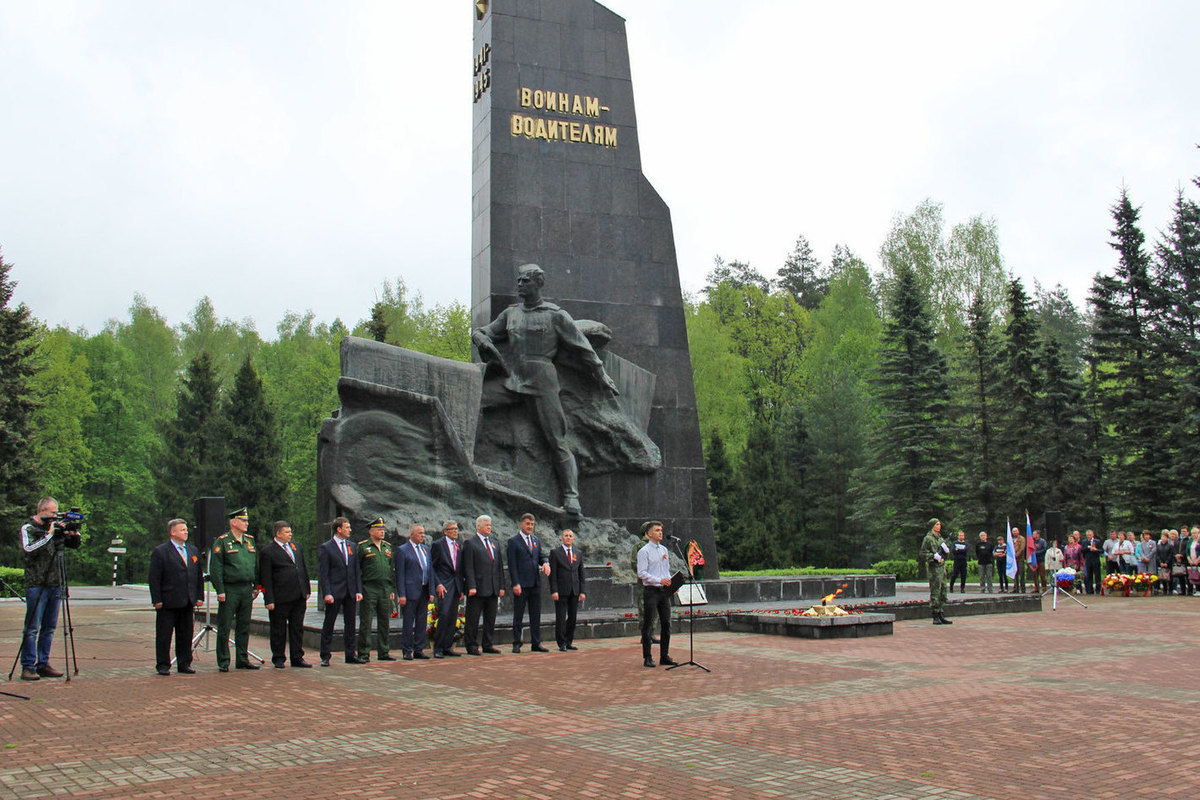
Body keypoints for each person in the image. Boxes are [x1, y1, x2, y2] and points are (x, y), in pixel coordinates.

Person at [471, 264, 620, 514]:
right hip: (512, 378)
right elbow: (484, 331)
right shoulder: (510, 314)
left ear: (538, 284)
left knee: (556, 439)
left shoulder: (555, 315)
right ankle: (468, 459)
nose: (520, 285)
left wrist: (602, 374)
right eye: (518, 281)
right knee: (474, 400)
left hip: (542, 381)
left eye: (525, 281)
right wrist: (480, 338)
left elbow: (582, 347)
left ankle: (572, 497)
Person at [18, 497, 80, 681]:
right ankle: (28, 666)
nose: (56, 516)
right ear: (42, 511)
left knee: (49, 627)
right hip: (36, 583)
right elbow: (29, 549)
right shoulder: (29, 528)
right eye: (53, 513)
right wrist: (49, 535)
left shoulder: (54, 528)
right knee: (32, 628)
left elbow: (73, 545)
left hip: (55, 583)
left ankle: (43, 663)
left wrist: (73, 534)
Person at [148, 518, 204, 675]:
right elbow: (154, 578)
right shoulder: (161, 551)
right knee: (164, 635)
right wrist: (157, 599)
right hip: (168, 601)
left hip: (187, 600)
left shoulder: (193, 551)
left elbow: (198, 576)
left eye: (186, 530)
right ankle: (163, 665)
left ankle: (184, 663)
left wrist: (199, 596)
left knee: (185, 634)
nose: (186, 532)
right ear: (172, 532)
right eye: (182, 530)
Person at [209, 506, 260, 672]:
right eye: (243, 520)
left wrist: (256, 586)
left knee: (244, 625)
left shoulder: (250, 540)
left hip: (246, 589)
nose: (246, 523)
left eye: (247, 520)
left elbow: (255, 564)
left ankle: (242, 659)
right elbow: (216, 568)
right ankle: (224, 660)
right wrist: (220, 590)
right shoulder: (222, 541)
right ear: (233, 522)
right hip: (230, 589)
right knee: (224, 626)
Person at [259, 520, 312, 668]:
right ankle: (278, 658)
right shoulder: (268, 551)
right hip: (280, 597)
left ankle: (297, 657)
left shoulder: (296, 547)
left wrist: (306, 589)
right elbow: (265, 577)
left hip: (298, 595)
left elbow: (302, 568)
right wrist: (268, 598)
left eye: (290, 532)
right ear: (278, 534)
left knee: (297, 628)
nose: (290, 534)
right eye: (287, 532)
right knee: (278, 629)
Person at [317, 516, 364, 667]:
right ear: (339, 529)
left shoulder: (352, 546)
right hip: (335, 591)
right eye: (347, 527)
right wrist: (327, 593)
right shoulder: (327, 547)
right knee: (329, 623)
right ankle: (325, 655)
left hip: (350, 591)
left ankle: (350, 654)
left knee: (350, 624)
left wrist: (358, 589)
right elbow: (324, 573)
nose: (350, 530)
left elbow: (356, 569)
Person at [507, 512, 551, 653]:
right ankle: (516, 642)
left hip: (535, 583)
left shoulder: (536, 540)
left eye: (532, 524)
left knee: (535, 615)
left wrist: (545, 563)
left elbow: (541, 556)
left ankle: (536, 642)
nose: (530, 526)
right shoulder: (513, 541)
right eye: (527, 524)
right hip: (521, 584)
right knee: (518, 615)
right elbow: (512, 565)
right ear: (521, 524)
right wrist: (515, 583)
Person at [462, 514, 505, 655]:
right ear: (478, 526)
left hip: (493, 587)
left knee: (490, 618)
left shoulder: (494, 543)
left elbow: (499, 567)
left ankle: (488, 644)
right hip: (478, 588)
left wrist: (501, 586)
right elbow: (468, 567)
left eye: (490, 525)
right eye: (486, 525)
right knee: (473, 618)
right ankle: (471, 645)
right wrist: (471, 586)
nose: (489, 527)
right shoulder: (471, 543)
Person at [636, 520, 678, 665]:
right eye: (657, 530)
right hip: (651, 591)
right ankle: (647, 656)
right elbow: (642, 573)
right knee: (648, 624)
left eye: (661, 530)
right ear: (649, 533)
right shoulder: (644, 551)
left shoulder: (664, 550)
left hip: (663, 592)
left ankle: (664, 655)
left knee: (666, 623)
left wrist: (671, 583)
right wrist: (659, 580)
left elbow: (666, 570)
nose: (660, 533)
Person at [357, 518, 397, 662]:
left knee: (384, 621)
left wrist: (392, 588)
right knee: (366, 621)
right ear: (371, 531)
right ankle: (363, 652)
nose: (382, 532)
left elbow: (391, 569)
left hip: (385, 588)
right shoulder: (363, 547)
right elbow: (358, 569)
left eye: (383, 529)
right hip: (369, 587)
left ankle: (384, 651)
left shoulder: (387, 547)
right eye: (379, 529)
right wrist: (359, 588)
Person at [395, 523, 434, 660]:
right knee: (408, 622)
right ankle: (407, 650)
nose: (422, 536)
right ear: (412, 534)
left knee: (422, 622)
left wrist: (431, 591)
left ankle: (419, 649)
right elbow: (400, 574)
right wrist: (402, 594)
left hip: (423, 590)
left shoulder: (426, 549)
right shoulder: (403, 550)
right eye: (419, 533)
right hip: (410, 592)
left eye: (423, 533)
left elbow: (430, 571)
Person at [430, 519, 464, 658]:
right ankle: (438, 647)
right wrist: (438, 583)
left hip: (456, 585)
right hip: (444, 585)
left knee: (452, 616)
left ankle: (447, 646)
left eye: (456, 529)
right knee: (443, 615)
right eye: (452, 529)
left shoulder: (458, 546)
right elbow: (432, 566)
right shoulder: (438, 545)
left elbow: (460, 568)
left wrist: (462, 588)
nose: (455, 531)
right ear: (445, 532)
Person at [549, 528, 586, 651]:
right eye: (566, 535)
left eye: (570, 536)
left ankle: (569, 640)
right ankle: (561, 642)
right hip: (561, 590)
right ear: (562, 538)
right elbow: (552, 574)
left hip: (574, 590)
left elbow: (581, 574)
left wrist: (582, 591)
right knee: (560, 617)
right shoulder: (555, 553)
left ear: (573, 538)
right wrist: (554, 590)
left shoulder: (578, 553)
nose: (568, 537)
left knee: (573, 617)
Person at [919, 518, 952, 625]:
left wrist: (946, 551)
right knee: (935, 591)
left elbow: (945, 554)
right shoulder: (928, 538)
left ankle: (941, 612)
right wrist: (933, 556)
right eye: (937, 524)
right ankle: (935, 614)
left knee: (943, 591)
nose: (939, 526)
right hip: (934, 568)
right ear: (933, 526)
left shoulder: (941, 539)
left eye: (940, 524)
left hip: (942, 568)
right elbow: (923, 553)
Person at [1082, 529, 1104, 594]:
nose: (1089, 536)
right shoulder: (1084, 542)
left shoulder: (1097, 541)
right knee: (1089, 576)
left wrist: (1096, 549)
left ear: (1093, 535)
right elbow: (1082, 550)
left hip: (1096, 561)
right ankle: (1090, 590)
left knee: (1097, 576)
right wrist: (1088, 547)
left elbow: (1101, 550)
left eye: (1090, 535)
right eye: (1088, 535)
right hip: (1088, 561)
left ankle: (1098, 590)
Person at [1010, 527, 1026, 593]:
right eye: (1013, 531)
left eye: (1016, 531)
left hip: (1020, 559)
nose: (1014, 532)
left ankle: (1023, 589)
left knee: (1021, 573)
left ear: (1018, 531)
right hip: (1013, 560)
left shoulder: (1021, 538)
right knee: (1015, 574)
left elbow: (1022, 548)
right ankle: (1016, 588)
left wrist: (1016, 555)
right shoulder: (1011, 539)